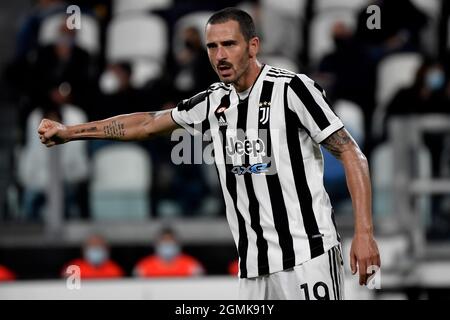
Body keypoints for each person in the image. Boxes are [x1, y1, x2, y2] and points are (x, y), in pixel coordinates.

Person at [38, 8, 380, 299]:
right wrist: (70, 132)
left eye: (229, 44)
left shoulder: (292, 89)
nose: (220, 55)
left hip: (309, 254)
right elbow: (146, 124)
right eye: (212, 47)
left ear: (252, 46)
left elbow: (352, 154)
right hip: (253, 268)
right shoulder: (213, 102)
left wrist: (363, 233)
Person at [133, 227, 205, 277]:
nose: (167, 244)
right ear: (157, 243)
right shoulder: (144, 267)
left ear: (177, 243)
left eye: (170, 240)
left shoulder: (191, 265)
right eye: (164, 240)